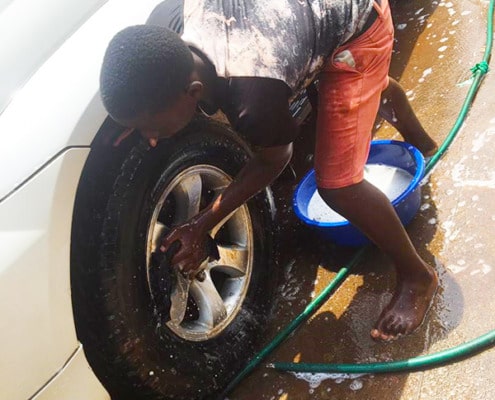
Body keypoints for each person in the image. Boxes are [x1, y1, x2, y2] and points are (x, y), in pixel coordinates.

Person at [99, 0, 439, 341]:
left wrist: (201, 223)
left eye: (151, 128)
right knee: (347, 99)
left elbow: (274, 159)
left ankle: (417, 277)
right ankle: (417, 138)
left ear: (194, 93)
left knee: (337, 186)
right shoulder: (166, 27)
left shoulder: (253, 101)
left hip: (360, 21)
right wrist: (134, 117)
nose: (151, 139)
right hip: (299, 19)